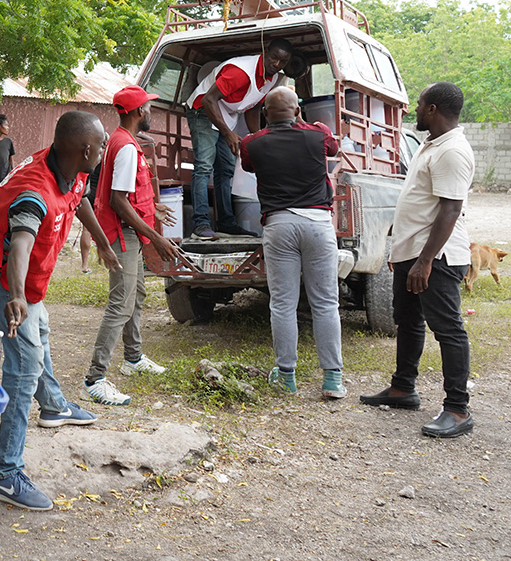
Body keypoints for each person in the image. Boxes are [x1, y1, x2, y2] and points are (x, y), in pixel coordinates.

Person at [0, 110, 119, 511]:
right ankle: (5, 473)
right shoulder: (34, 192)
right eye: (102, 144)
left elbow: (79, 197)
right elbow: (20, 243)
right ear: (86, 148)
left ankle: (52, 406)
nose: (105, 149)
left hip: (28, 275)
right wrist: (16, 296)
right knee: (23, 364)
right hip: (5, 272)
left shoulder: (71, 166)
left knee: (41, 328)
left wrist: (100, 241)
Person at [360, 83, 476, 438]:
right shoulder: (432, 145)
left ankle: (457, 409)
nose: (415, 108)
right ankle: (403, 389)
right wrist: (403, 251)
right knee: (407, 320)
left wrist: (424, 261)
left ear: (433, 109)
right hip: (415, 253)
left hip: (436, 257)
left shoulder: (452, 151)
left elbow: (451, 209)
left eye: (421, 103)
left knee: (448, 329)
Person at [238, 87, 344, 397]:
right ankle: (333, 379)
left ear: (265, 114)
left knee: (283, 304)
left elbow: (247, 165)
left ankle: (286, 376)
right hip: (318, 224)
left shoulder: (251, 143)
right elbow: (333, 148)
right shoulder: (317, 134)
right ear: (297, 111)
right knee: (325, 303)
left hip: (279, 225)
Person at [84, 86, 181, 407]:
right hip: (122, 234)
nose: (151, 112)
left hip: (131, 234)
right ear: (139, 112)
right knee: (120, 304)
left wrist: (153, 208)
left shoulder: (123, 142)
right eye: (148, 108)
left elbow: (129, 194)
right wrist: (157, 238)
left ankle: (134, 358)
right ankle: (95, 378)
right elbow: (118, 201)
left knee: (136, 294)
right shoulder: (125, 147)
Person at [185, 39, 293, 239]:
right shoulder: (240, 72)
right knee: (204, 166)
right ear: (265, 52)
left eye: (283, 62)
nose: (276, 64)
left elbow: (253, 107)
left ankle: (226, 223)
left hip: (225, 115)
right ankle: (200, 224)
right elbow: (209, 99)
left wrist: (259, 137)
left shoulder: (272, 78)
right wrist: (227, 133)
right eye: (274, 58)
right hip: (203, 110)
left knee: (226, 170)